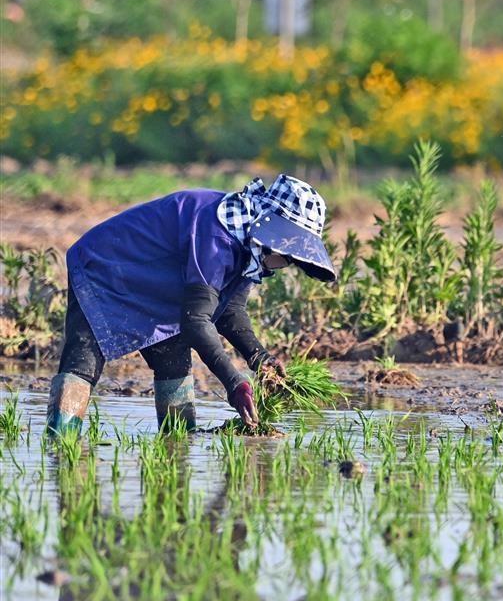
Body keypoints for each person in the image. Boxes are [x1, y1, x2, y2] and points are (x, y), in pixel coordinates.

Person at [46, 175, 337, 436]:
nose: (286, 264)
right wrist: (235, 383)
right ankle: (61, 442)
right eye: (288, 255)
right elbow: (197, 321)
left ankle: (177, 445)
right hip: (105, 266)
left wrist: (261, 360)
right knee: (85, 359)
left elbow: (231, 314)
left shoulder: (249, 245)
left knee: (174, 361)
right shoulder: (218, 234)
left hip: (161, 286)